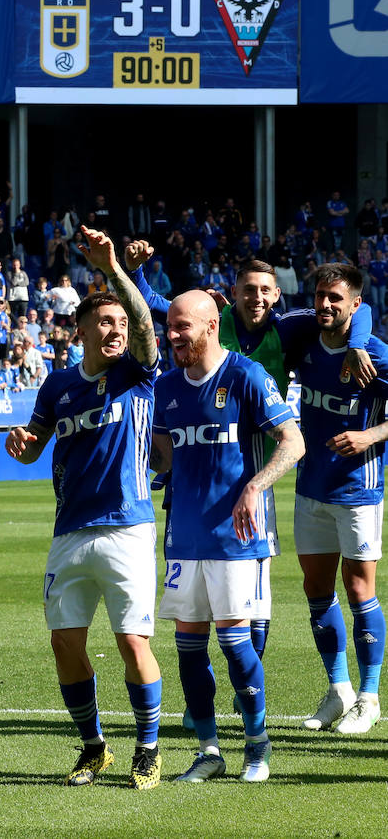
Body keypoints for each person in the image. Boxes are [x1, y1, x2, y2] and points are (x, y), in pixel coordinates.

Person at [5, 227, 165, 790]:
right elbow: (34, 445)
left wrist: (114, 270)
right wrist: (22, 444)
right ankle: (95, 746)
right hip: (69, 531)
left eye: (121, 321)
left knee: (131, 641)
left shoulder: (138, 375)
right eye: (105, 321)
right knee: (64, 642)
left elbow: (148, 325)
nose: (117, 328)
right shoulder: (57, 385)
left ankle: (148, 748)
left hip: (128, 527)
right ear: (81, 330)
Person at [151, 291, 303, 783]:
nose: (172, 337)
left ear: (212, 325)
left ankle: (257, 746)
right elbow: (161, 451)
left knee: (236, 646)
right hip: (183, 540)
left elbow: (293, 441)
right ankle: (209, 751)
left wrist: (256, 486)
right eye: (169, 327)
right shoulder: (166, 387)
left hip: (237, 538)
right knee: (188, 650)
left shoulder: (246, 376)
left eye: (182, 328)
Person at [283, 265, 386, 734]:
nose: (326, 305)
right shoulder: (305, 339)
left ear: (356, 304)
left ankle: (370, 696)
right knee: (316, 590)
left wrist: (371, 436)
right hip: (311, 488)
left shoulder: (375, 353)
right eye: (321, 296)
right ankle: (339, 690)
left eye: (336, 299)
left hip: (358, 489)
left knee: (359, 590)